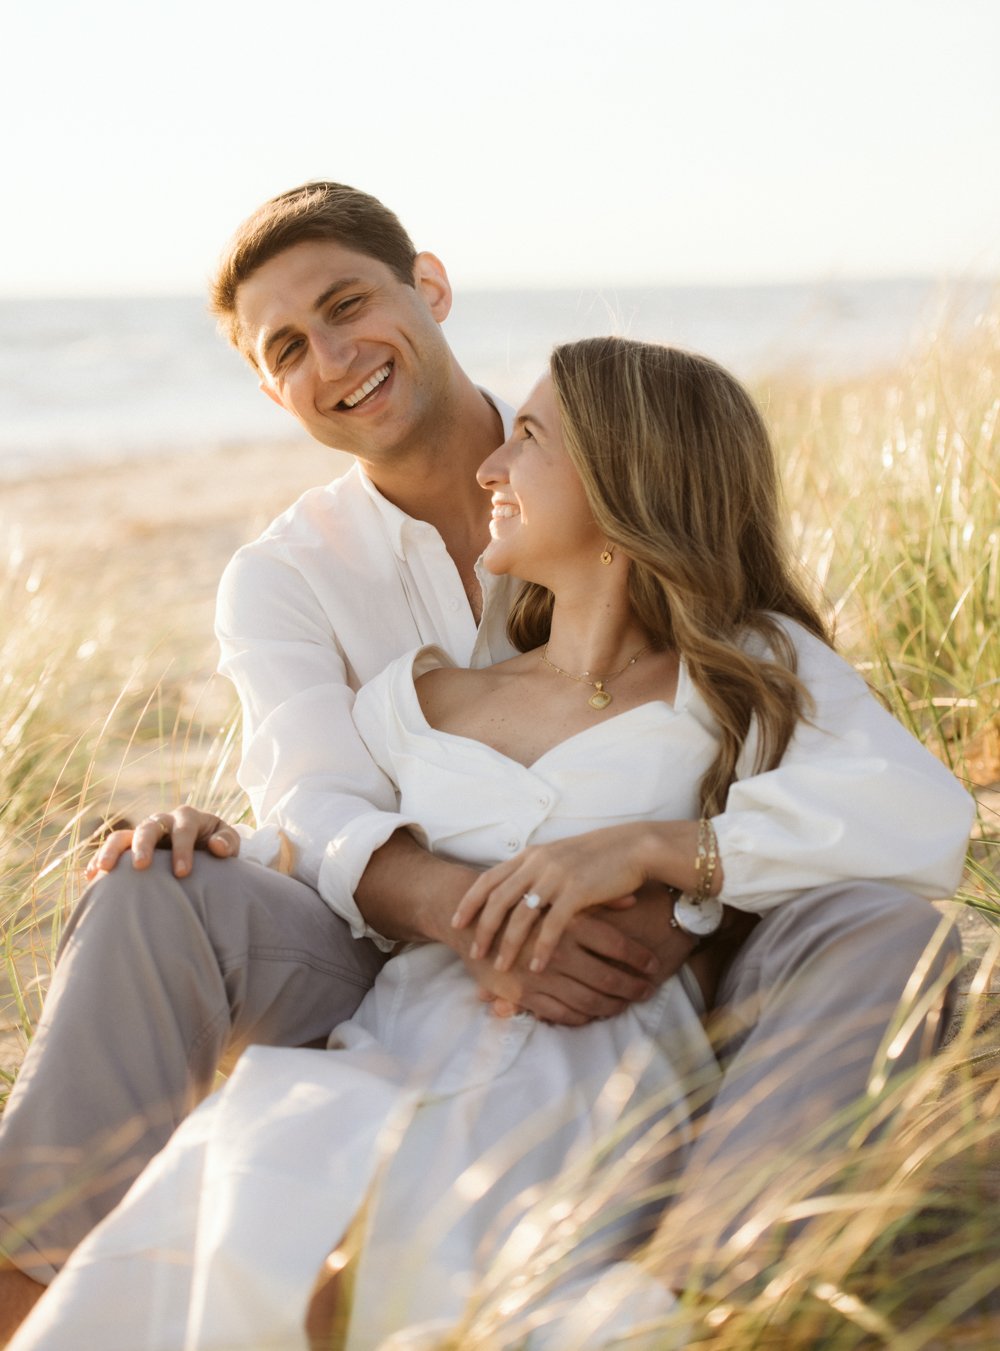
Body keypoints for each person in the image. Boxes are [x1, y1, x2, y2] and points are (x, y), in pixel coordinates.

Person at [9, 339, 973, 1351]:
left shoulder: (747, 672)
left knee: (497, 1284)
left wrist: (657, 849)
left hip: (607, 1078)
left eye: (526, 439)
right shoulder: (422, 698)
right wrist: (213, 839)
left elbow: (915, 815)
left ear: (624, 476)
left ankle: (711, 1301)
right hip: (399, 1048)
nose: (489, 469)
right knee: (266, 1241)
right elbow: (319, 845)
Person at [0, 182, 712, 1338]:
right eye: (287, 349)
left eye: (347, 306)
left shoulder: (611, 471)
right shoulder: (283, 575)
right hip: (386, 959)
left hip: (642, 944)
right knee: (149, 886)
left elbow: (759, 715)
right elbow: (314, 802)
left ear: (426, 285)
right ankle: (33, 1284)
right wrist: (489, 920)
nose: (333, 358)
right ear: (270, 389)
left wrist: (673, 895)